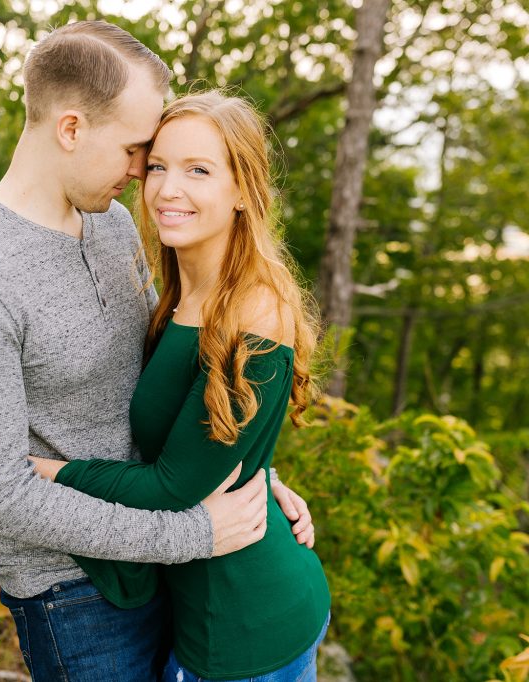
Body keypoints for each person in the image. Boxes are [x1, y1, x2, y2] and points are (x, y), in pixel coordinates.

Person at [0, 21, 316, 681]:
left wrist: (243, 465)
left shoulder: (113, 224)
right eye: (139, 151)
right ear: (71, 129)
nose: (144, 176)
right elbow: (4, 497)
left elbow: (167, 386)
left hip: (170, 562)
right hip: (78, 595)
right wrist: (195, 533)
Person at [30, 91, 331, 681]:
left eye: (199, 170)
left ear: (243, 191)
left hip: (245, 631)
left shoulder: (256, 312)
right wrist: (259, 470)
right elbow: (198, 443)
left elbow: (173, 487)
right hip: (205, 610)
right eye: (159, 166)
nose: (168, 189)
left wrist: (47, 470)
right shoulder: (181, 293)